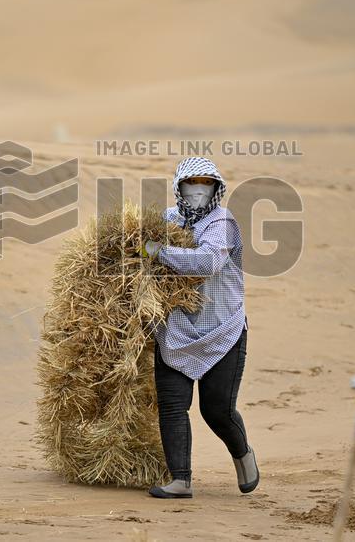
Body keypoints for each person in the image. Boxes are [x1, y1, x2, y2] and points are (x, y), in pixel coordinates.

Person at [140, 156, 258, 499]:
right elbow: (138, 248)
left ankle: (243, 455)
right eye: (192, 183)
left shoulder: (222, 222)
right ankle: (180, 480)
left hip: (222, 330)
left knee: (217, 409)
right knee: (173, 405)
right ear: (179, 186)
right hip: (175, 329)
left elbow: (208, 262)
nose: (198, 190)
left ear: (217, 188)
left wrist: (159, 253)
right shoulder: (167, 220)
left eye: (207, 183)